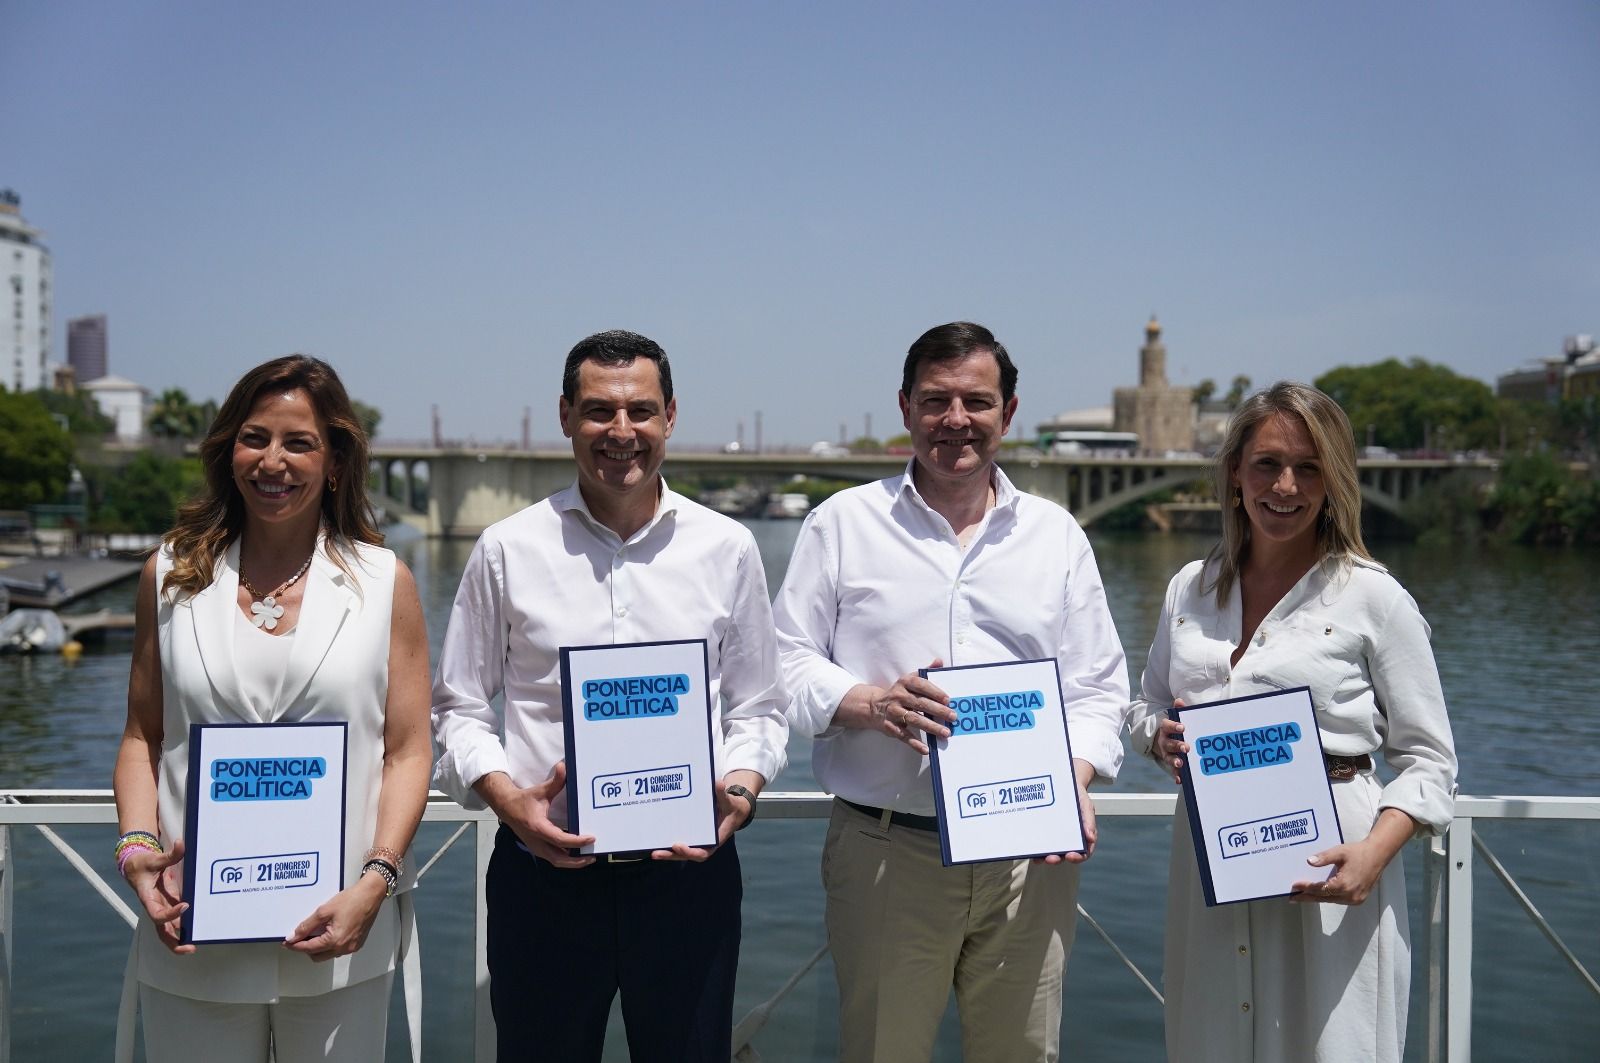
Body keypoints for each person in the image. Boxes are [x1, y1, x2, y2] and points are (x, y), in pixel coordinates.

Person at [773, 321, 1131, 1063]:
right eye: (936, 400)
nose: (955, 420)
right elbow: (782, 662)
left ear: (1009, 409)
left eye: (976, 400)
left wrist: (1077, 773)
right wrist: (868, 701)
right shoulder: (841, 524)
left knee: (1024, 1053)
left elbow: (1098, 689)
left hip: (1029, 861)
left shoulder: (1057, 536)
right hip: (885, 851)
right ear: (904, 406)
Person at [430, 329, 788, 1062]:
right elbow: (458, 707)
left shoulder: (727, 548)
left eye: (640, 412)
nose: (620, 433)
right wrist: (506, 799)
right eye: (598, 411)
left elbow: (760, 709)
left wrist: (742, 791)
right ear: (565, 415)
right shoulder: (508, 548)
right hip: (546, 878)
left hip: (689, 877)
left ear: (671, 416)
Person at [112, 355, 433, 1061]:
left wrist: (376, 880)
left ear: (337, 461)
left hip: (339, 936)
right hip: (191, 934)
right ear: (229, 450)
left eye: (300, 442)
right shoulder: (167, 576)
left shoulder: (384, 583)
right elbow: (143, 734)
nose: (273, 461)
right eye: (255, 437)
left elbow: (409, 749)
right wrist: (137, 848)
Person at [1128, 381, 1458, 1063]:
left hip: (1333, 860)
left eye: (1309, 467)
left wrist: (1372, 855)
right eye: (1267, 464)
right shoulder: (1188, 587)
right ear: (1234, 474)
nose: (1285, 485)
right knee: (1211, 1038)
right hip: (1210, 857)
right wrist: (1158, 737)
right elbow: (1145, 704)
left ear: (1335, 480)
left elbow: (1430, 761)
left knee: (1331, 1044)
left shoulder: (1373, 596)